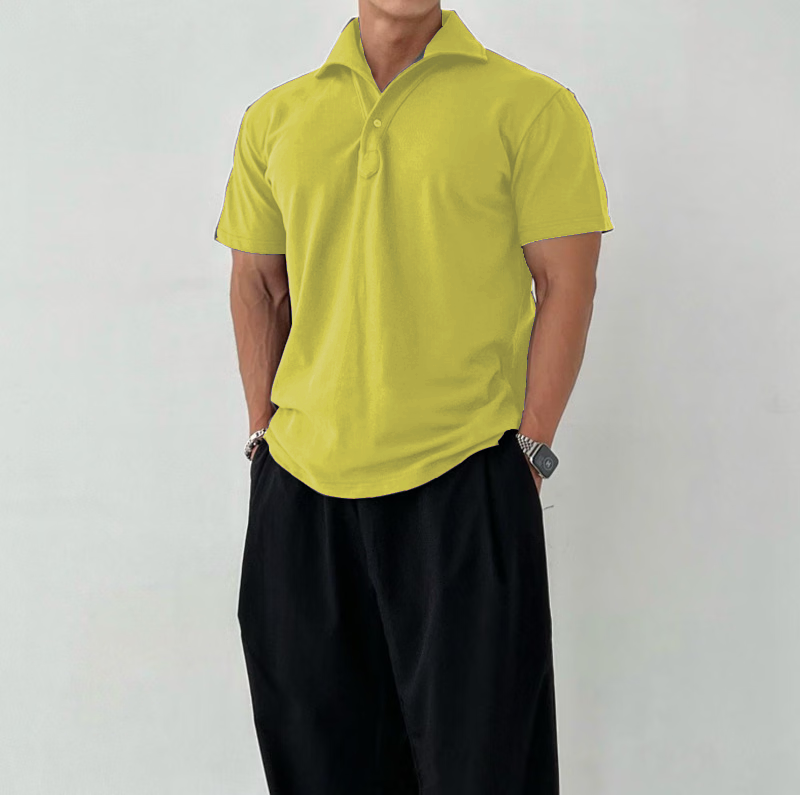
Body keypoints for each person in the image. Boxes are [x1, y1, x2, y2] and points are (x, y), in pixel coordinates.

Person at [214, 2, 613, 793]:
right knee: (316, 770)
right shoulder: (276, 117)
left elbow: (566, 283)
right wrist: (264, 438)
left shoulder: (531, 107)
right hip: (302, 496)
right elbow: (258, 283)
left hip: (464, 483)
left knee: (483, 771)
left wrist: (530, 451)